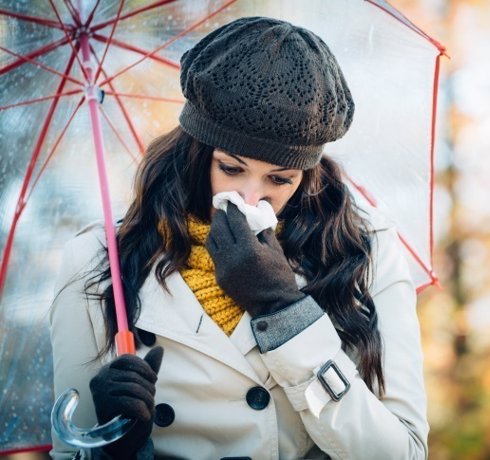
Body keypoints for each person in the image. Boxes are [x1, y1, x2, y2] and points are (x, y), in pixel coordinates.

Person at [50, 16, 428, 460]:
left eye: (280, 179)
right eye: (230, 168)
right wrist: (114, 448)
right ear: (197, 151)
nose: (251, 197)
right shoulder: (100, 259)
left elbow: (402, 452)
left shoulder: (365, 250)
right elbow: (68, 451)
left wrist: (285, 313)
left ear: (305, 174)